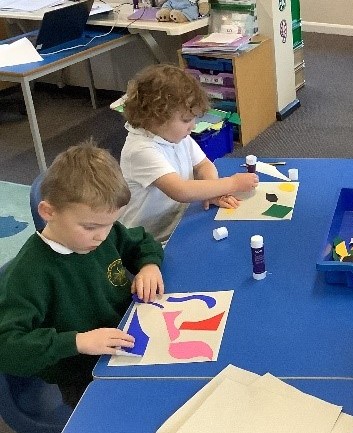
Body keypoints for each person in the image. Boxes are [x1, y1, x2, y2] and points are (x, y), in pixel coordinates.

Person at [0, 142, 165, 407]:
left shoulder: (101, 232)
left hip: (128, 342)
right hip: (83, 375)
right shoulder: (29, 273)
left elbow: (141, 241)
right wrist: (77, 342)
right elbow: (7, 345)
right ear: (48, 212)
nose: (101, 236)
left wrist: (148, 265)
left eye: (109, 224)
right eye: (90, 227)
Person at [120, 64, 258, 243]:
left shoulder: (176, 136)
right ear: (156, 117)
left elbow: (203, 164)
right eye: (186, 120)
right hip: (148, 240)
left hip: (179, 222)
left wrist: (212, 189)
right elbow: (181, 190)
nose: (192, 126)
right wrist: (231, 183)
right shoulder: (140, 150)